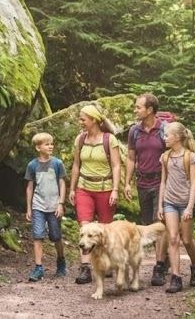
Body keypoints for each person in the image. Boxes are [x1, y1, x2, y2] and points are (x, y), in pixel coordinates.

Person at [67, 104, 122, 285]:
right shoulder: (80, 139)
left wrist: (115, 190)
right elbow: (76, 165)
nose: (80, 122)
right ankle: (85, 268)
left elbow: (116, 166)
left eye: (83, 119)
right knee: (85, 227)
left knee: (104, 229)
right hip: (84, 188)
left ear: (93, 120)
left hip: (105, 188)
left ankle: (105, 262)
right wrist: (72, 188)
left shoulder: (109, 139)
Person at [124, 93, 170, 286]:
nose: (135, 110)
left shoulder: (164, 129)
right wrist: (127, 182)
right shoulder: (134, 131)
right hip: (142, 182)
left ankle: (159, 267)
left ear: (150, 110)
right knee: (148, 224)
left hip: (161, 182)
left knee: (160, 224)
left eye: (138, 107)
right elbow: (131, 158)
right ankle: (165, 258)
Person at [156, 122, 195, 293]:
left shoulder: (190, 157)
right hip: (170, 203)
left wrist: (190, 207)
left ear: (176, 137)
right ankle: (176, 277)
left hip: (185, 204)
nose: (164, 138)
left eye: (167, 135)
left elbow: (194, 184)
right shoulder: (165, 157)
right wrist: (160, 205)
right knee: (173, 238)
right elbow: (163, 181)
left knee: (187, 241)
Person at [24, 132, 67, 281]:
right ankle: (38, 267)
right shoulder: (32, 165)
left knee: (56, 236)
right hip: (38, 206)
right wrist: (29, 208)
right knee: (37, 235)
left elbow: (62, 183)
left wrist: (61, 203)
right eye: (47, 144)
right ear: (38, 148)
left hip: (54, 206)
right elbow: (30, 187)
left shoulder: (57, 163)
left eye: (51, 143)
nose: (50, 146)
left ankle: (61, 260)